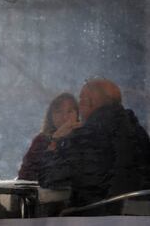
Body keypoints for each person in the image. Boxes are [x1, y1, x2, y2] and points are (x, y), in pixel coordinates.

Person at [39, 79, 150, 210]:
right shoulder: (140, 133)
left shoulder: (86, 136)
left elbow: (49, 179)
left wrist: (55, 140)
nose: (79, 107)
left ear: (88, 102)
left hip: (95, 216)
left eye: (81, 100)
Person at [18, 93, 81, 181]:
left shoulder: (84, 137)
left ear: (77, 114)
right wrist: (55, 140)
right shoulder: (41, 140)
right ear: (51, 116)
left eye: (70, 111)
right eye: (58, 112)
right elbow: (26, 176)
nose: (64, 117)